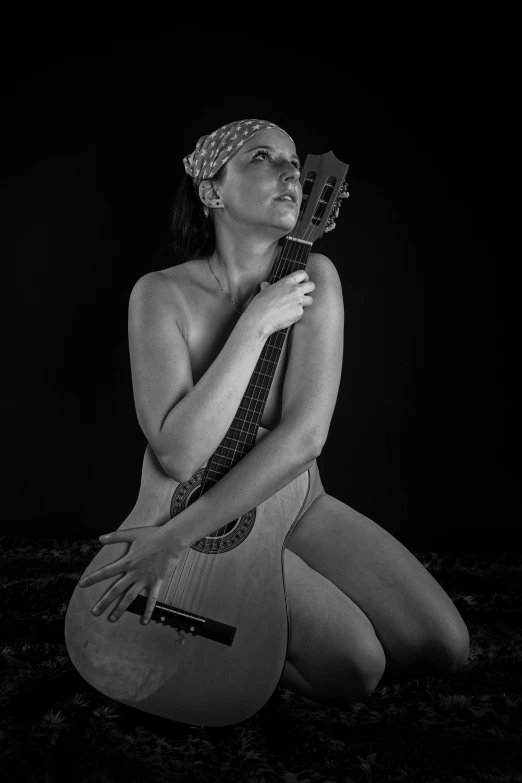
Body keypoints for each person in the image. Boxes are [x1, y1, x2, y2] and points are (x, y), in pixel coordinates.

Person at [79, 119, 469, 706]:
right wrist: (255, 324)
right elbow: (180, 453)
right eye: (262, 158)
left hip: (290, 498)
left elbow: (306, 437)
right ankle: (243, 621)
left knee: (445, 646)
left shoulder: (317, 278)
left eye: (294, 162)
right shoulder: (159, 294)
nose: (291, 171)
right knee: (357, 667)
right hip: (190, 495)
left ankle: (260, 575)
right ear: (213, 191)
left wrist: (175, 538)